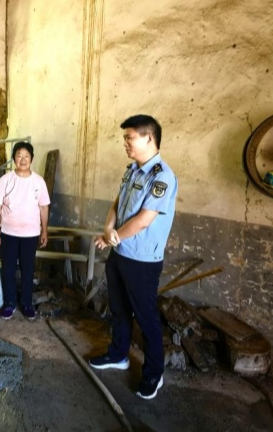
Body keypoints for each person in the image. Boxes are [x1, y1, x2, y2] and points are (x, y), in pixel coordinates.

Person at [88, 114, 178, 400]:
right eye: (125, 138)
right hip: (120, 253)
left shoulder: (162, 175)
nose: (125, 143)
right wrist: (107, 228)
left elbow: (144, 219)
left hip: (142, 260)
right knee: (119, 309)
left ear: (148, 137)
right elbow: (118, 203)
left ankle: (154, 373)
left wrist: (115, 236)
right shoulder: (132, 170)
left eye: (130, 137)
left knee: (146, 316)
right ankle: (119, 354)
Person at [0, 141, 50, 320]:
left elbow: (44, 208)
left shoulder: (38, 181)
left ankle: (26, 303)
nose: (22, 159)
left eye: (26, 156)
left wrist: (44, 231)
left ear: (31, 158)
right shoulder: (5, 180)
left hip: (31, 235)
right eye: (19, 156)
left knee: (28, 269)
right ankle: (9, 303)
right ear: (14, 159)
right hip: (8, 233)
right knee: (7, 268)